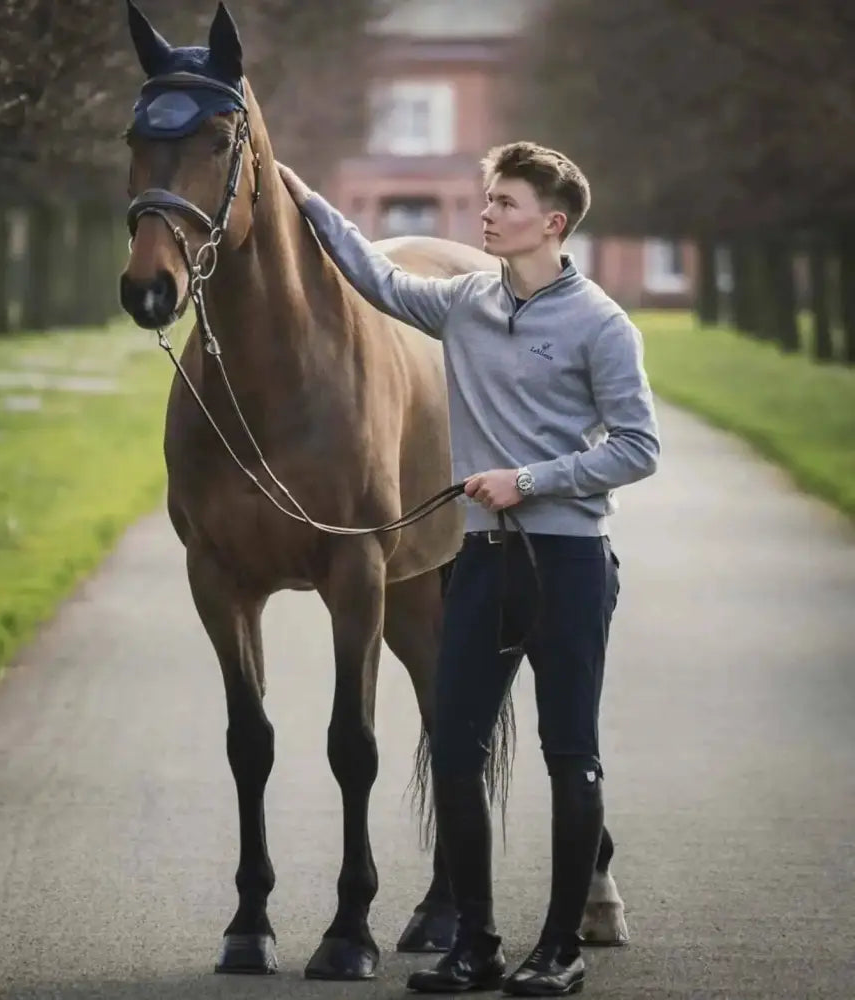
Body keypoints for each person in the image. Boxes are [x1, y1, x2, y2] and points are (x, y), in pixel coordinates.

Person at [277, 141, 660, 996]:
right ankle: (477, 944)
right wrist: (295, 191)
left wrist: (528, 481)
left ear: (552, 224)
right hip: (481, 558)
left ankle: (559, 949)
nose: (486, 214)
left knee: (571, 754)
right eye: (487, 200)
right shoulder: (463, 304)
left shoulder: (602, 324)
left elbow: (640, 447)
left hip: (568, 562)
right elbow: (372, 277)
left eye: (506, 204)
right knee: (454, 752)